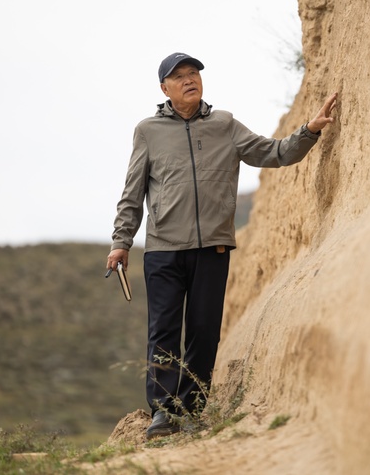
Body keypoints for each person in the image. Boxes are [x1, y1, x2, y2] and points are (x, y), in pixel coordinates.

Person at [106, 52, 337, 439]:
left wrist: (309, 131)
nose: (189, 79)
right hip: (163, 250)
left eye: (193, 73)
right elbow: (133, 192)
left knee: (204, 331)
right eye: (179, 76)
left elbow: (273, 152)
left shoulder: (224, 124)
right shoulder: (148, 131)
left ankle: (191, 409)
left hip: (212, 248)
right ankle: (163, 412)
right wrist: (121, 241)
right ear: (164, 89)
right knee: (163, 331)